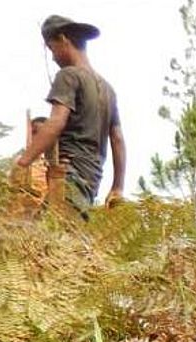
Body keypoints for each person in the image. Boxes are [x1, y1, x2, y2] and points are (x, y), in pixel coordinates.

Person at [14, 14, 126, 215]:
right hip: (91, 183)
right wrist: (117, 188)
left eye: (52, 48)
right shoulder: (108, 90)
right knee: (62, 237)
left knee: (43, 238)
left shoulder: (68, 75)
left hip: (68, 177)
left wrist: (23, 162)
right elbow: (117, 139)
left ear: (63, 39)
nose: (53, 56)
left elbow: (56, 122)